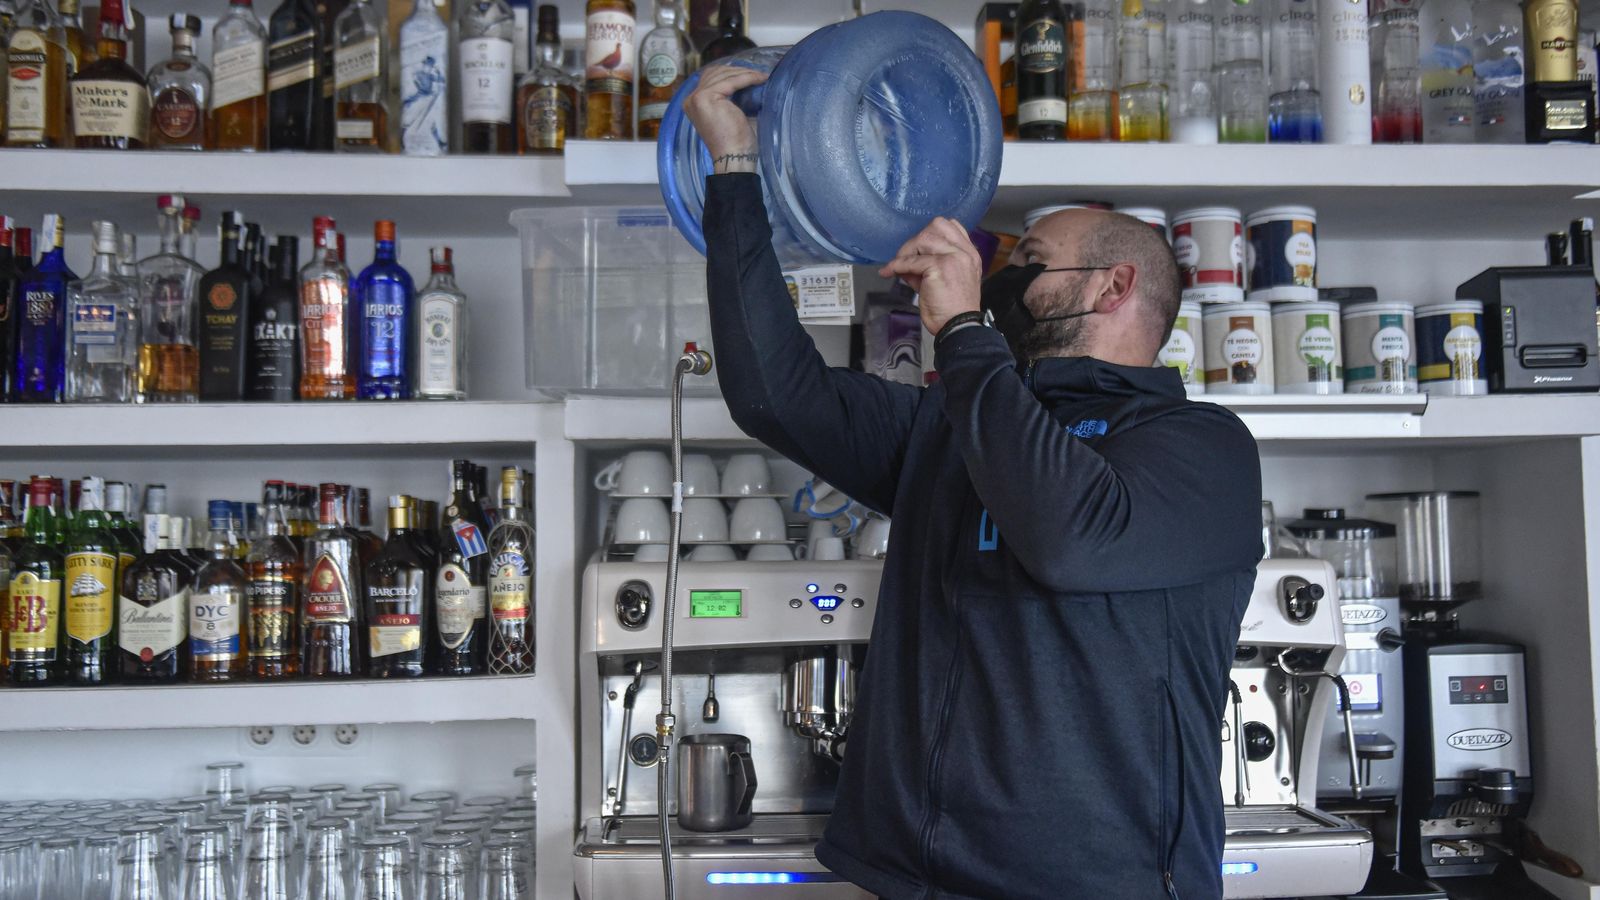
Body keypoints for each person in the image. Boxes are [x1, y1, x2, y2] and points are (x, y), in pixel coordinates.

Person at [686, 65, 1264, 900]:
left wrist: (963, 328)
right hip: (912, 880)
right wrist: (735, 171)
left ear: (1114, 285)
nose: (1008, 277)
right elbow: (772, 393)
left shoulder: (1201, 448)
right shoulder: (950, 428)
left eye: (1033, 259)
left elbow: (1071, 537)